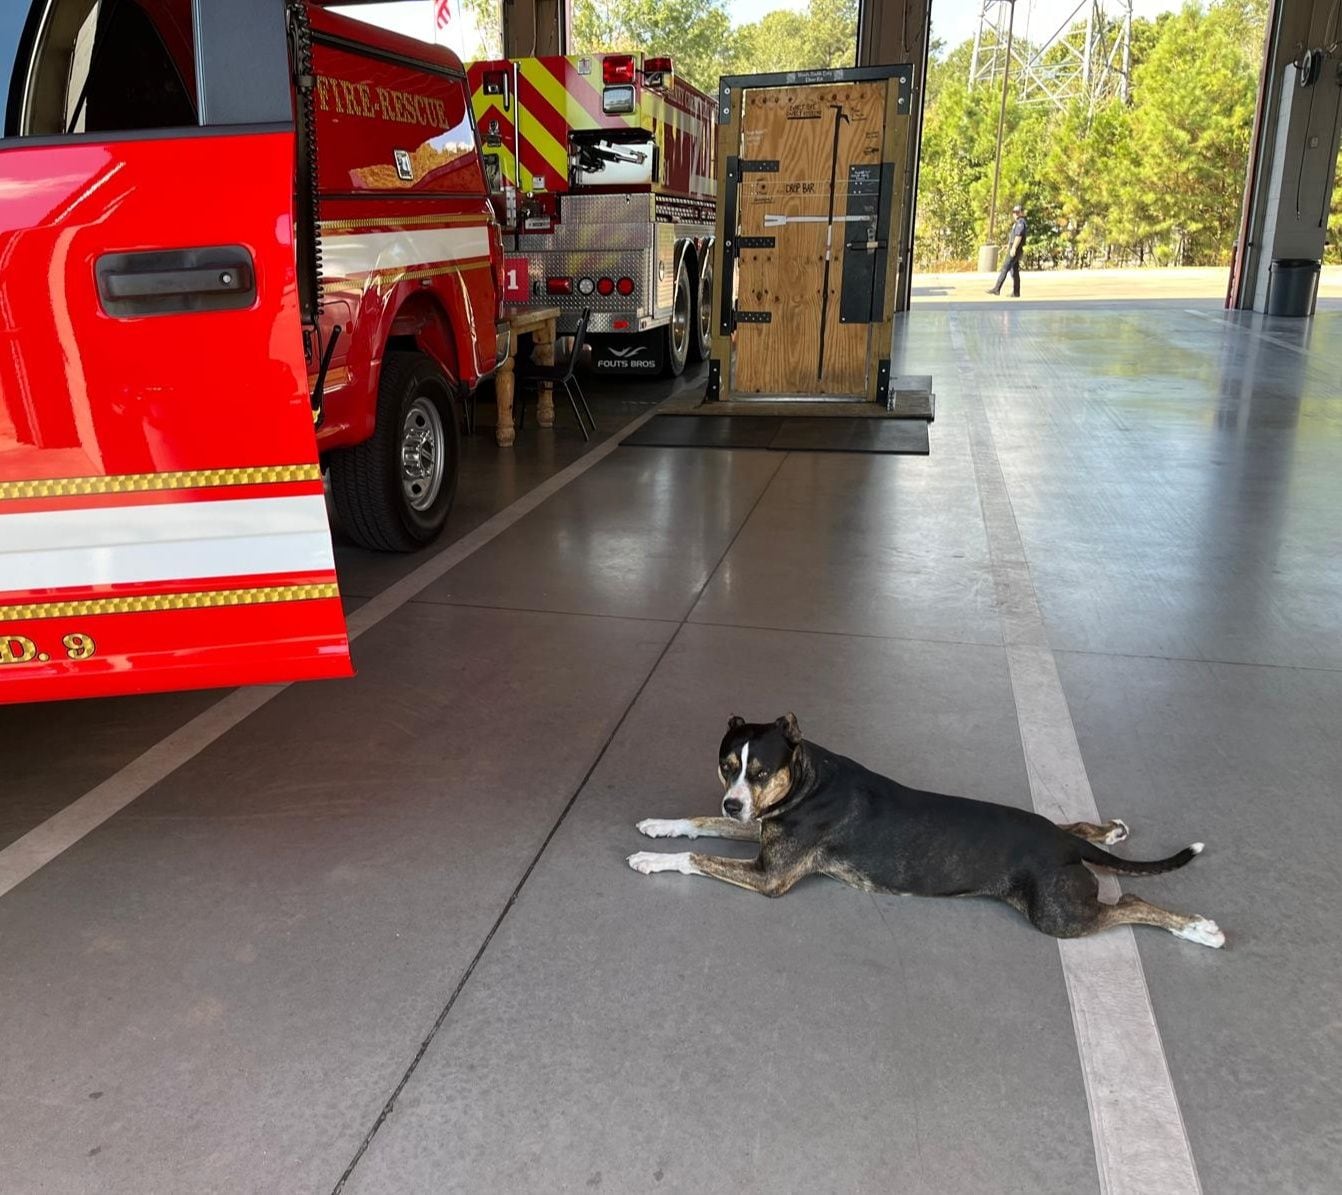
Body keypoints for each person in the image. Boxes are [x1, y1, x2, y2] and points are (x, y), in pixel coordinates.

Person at [988, 204, 1028, 297]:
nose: (1015, 214)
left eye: (1017, 212)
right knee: (1014, 270)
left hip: (1016, 248)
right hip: (1014, 247)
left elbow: (1019, 236)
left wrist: (1013, 248)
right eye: (1014, 212)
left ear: (1021, 213)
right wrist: (1009, 246)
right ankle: (1016, 292)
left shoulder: (1020, 222)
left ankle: (997, 288)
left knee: (1005, 268)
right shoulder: (1018, 222)